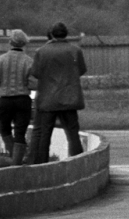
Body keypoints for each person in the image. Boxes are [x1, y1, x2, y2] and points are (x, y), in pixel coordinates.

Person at [29, 22, 87, 164]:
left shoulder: (41, 52)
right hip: (69, 97)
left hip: (48, 99)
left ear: (52, 34)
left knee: (45, 134)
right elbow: (81, 69)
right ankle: (77, 163)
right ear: (66, 34)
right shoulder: (75, 51)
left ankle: (42, 164)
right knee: (73, 133)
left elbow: (35, 73)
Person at [0, 29, 34, 165]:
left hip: (5, 100)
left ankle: (13, 157)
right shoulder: (29, 61)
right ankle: (17, 163)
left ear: (10, 42)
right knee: (20, 132)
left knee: (4, 129)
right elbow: (34, 83)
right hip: (22, 100)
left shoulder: (1, 60)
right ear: (24, 43)